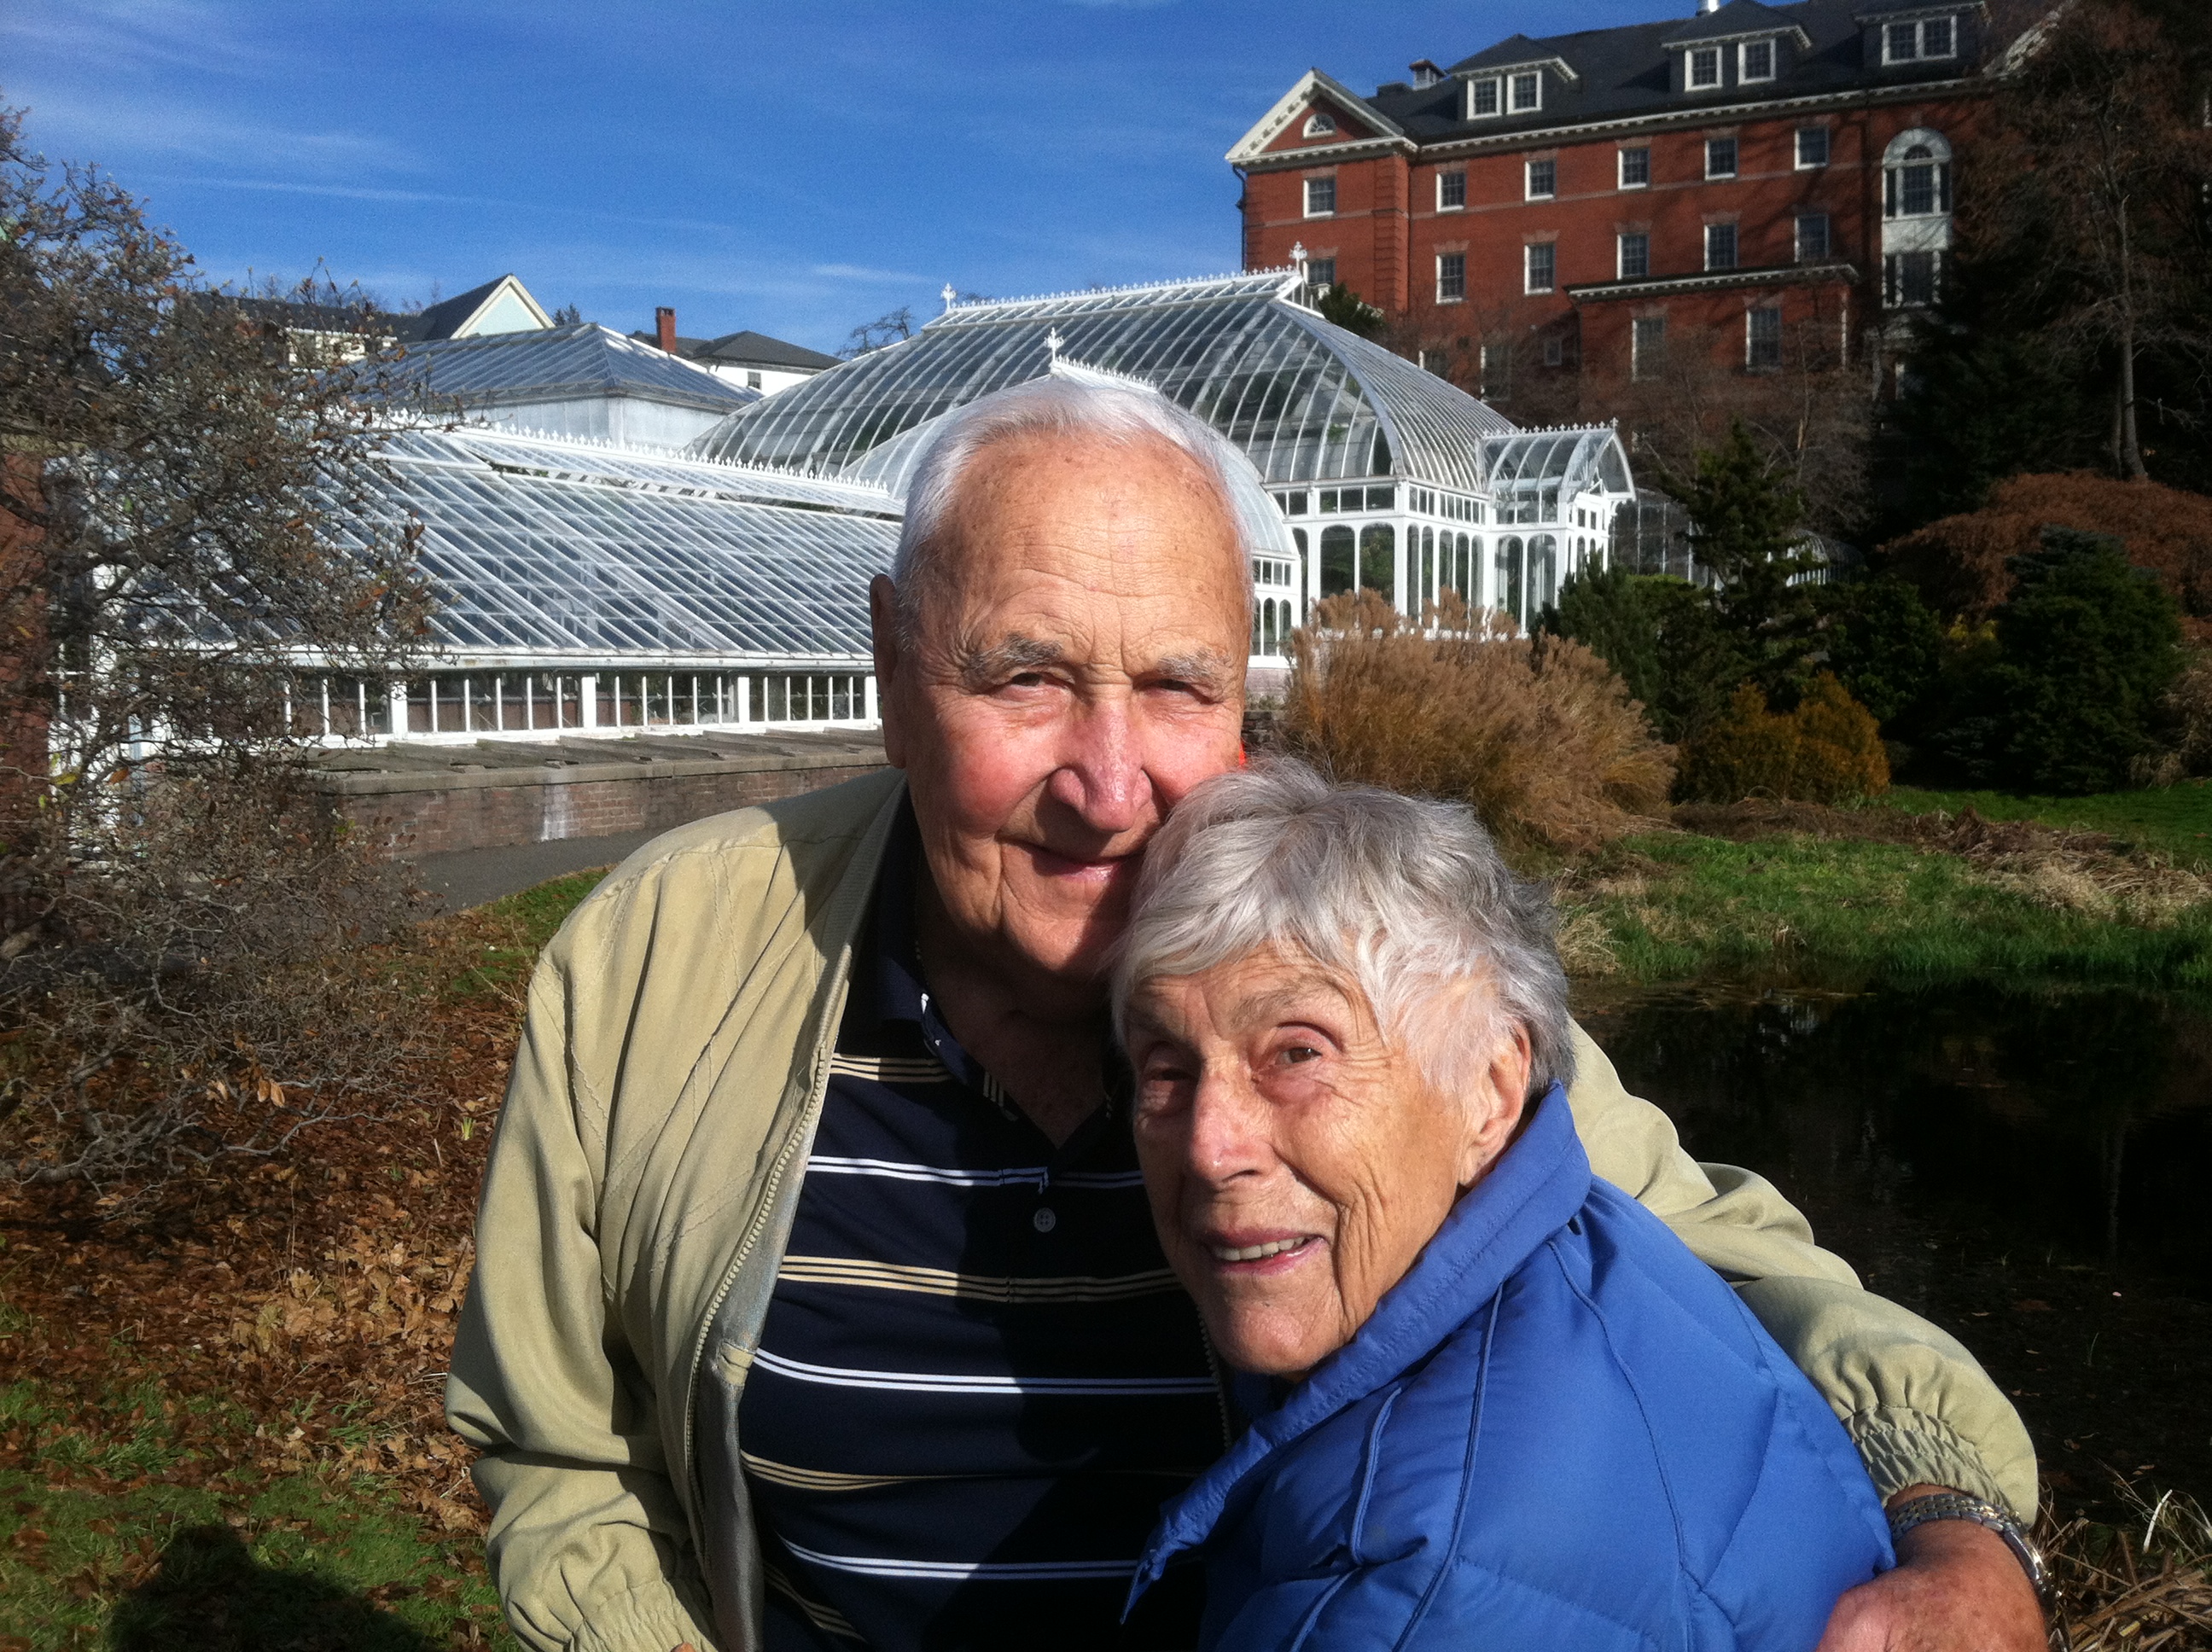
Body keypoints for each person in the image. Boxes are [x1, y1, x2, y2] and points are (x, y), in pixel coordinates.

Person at [446, 375, 2045, 1652]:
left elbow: (1731, 1267)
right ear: (888, 664)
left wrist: (1960, 1528)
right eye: (1026, 677)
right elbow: (564, 1452)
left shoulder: (1366, 956)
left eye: (1178, 687)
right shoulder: (658, 961)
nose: (1110, 780)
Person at [1116, 760, 1895, 1648]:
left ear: (1490, 1091)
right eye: (1167, 1068)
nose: (1210, 1148)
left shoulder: (1412, 1589)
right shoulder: (1594, 1242)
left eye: (1297, 1054)